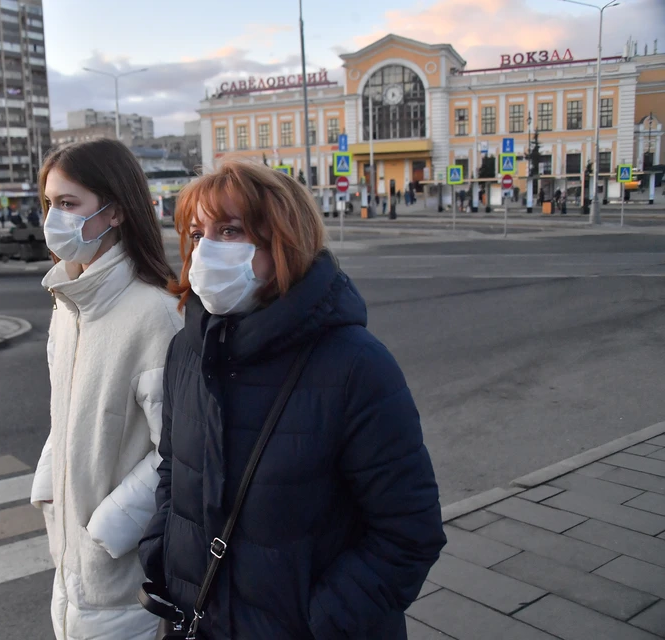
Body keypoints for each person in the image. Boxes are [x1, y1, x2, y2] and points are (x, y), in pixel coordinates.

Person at [140, 161, 446, 639]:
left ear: (283, 238)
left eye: (230, 230)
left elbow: (409, 532)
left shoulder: (355, 366)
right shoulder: (187, 350)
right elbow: (173, 470)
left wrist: (320, 623)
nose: (205, 251)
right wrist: (162, 549)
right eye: (198, 234)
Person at [31, 139, 183, 640]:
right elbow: (64, 415)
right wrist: (50, 488)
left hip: (121, 578)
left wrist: (106, 529)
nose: (54, 217)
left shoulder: (155, 313)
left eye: (69, 204)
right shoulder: (67, 304)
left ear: (115, 212)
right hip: (69, 565)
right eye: (49, 203)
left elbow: (180, 452)